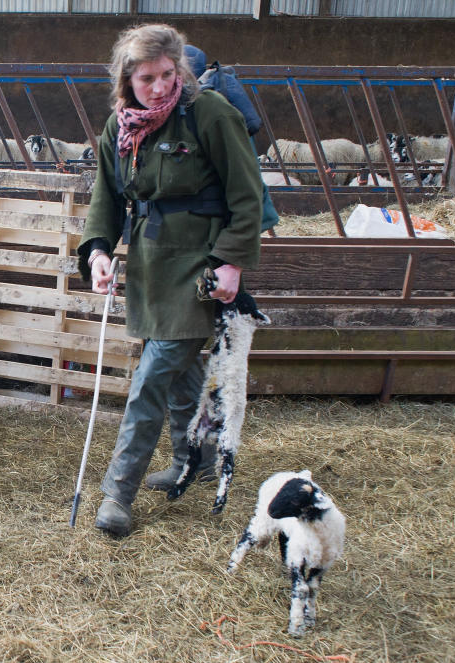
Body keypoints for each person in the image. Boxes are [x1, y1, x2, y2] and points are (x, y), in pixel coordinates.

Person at [77, 24, 262, 537]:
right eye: (146, 79)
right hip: (151, 266)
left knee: (152, 378)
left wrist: (231, 262)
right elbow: (108, 199)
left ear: (178, 70)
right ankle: (193, 461)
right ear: (126, 80)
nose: (159, 88)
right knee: (178, 369)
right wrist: (97, 251)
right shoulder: (121, 128)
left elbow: (247, 198)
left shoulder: (210, 115)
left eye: (166, 75)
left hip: (199, 267)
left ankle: (119, 492)